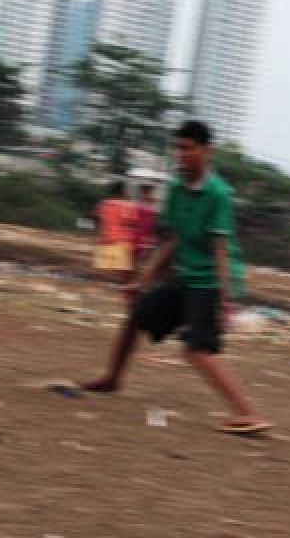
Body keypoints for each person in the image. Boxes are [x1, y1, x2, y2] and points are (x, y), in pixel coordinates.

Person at [79, 120, 272, 434]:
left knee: (197, 349)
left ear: (206, 151)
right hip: (186, 274)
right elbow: (172, 240)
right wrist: (144, 280)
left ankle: (248, 413)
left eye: (188, 148)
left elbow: (220, 247)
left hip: (211, 279)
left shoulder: (218, 194)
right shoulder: (177, 188)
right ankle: (112, 378)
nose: (181, 154)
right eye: (178, 148)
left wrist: (225, 299)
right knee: (136, 317)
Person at [93, 180, 136, 282]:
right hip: (122, 243)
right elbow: (131, 223)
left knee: (101, 278)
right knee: (122, 279)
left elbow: (97, 220)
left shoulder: (103, 204)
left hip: (105, 241)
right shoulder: (128, 206)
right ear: (123, 192)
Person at [131, 182, 158, 267]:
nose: (153, 196)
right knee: (136, 264)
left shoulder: (147, 208)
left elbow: (152, 226)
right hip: (138, 240)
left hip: (142, 240)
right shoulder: (141, 208)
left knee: (136, 264)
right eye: (150, 193)